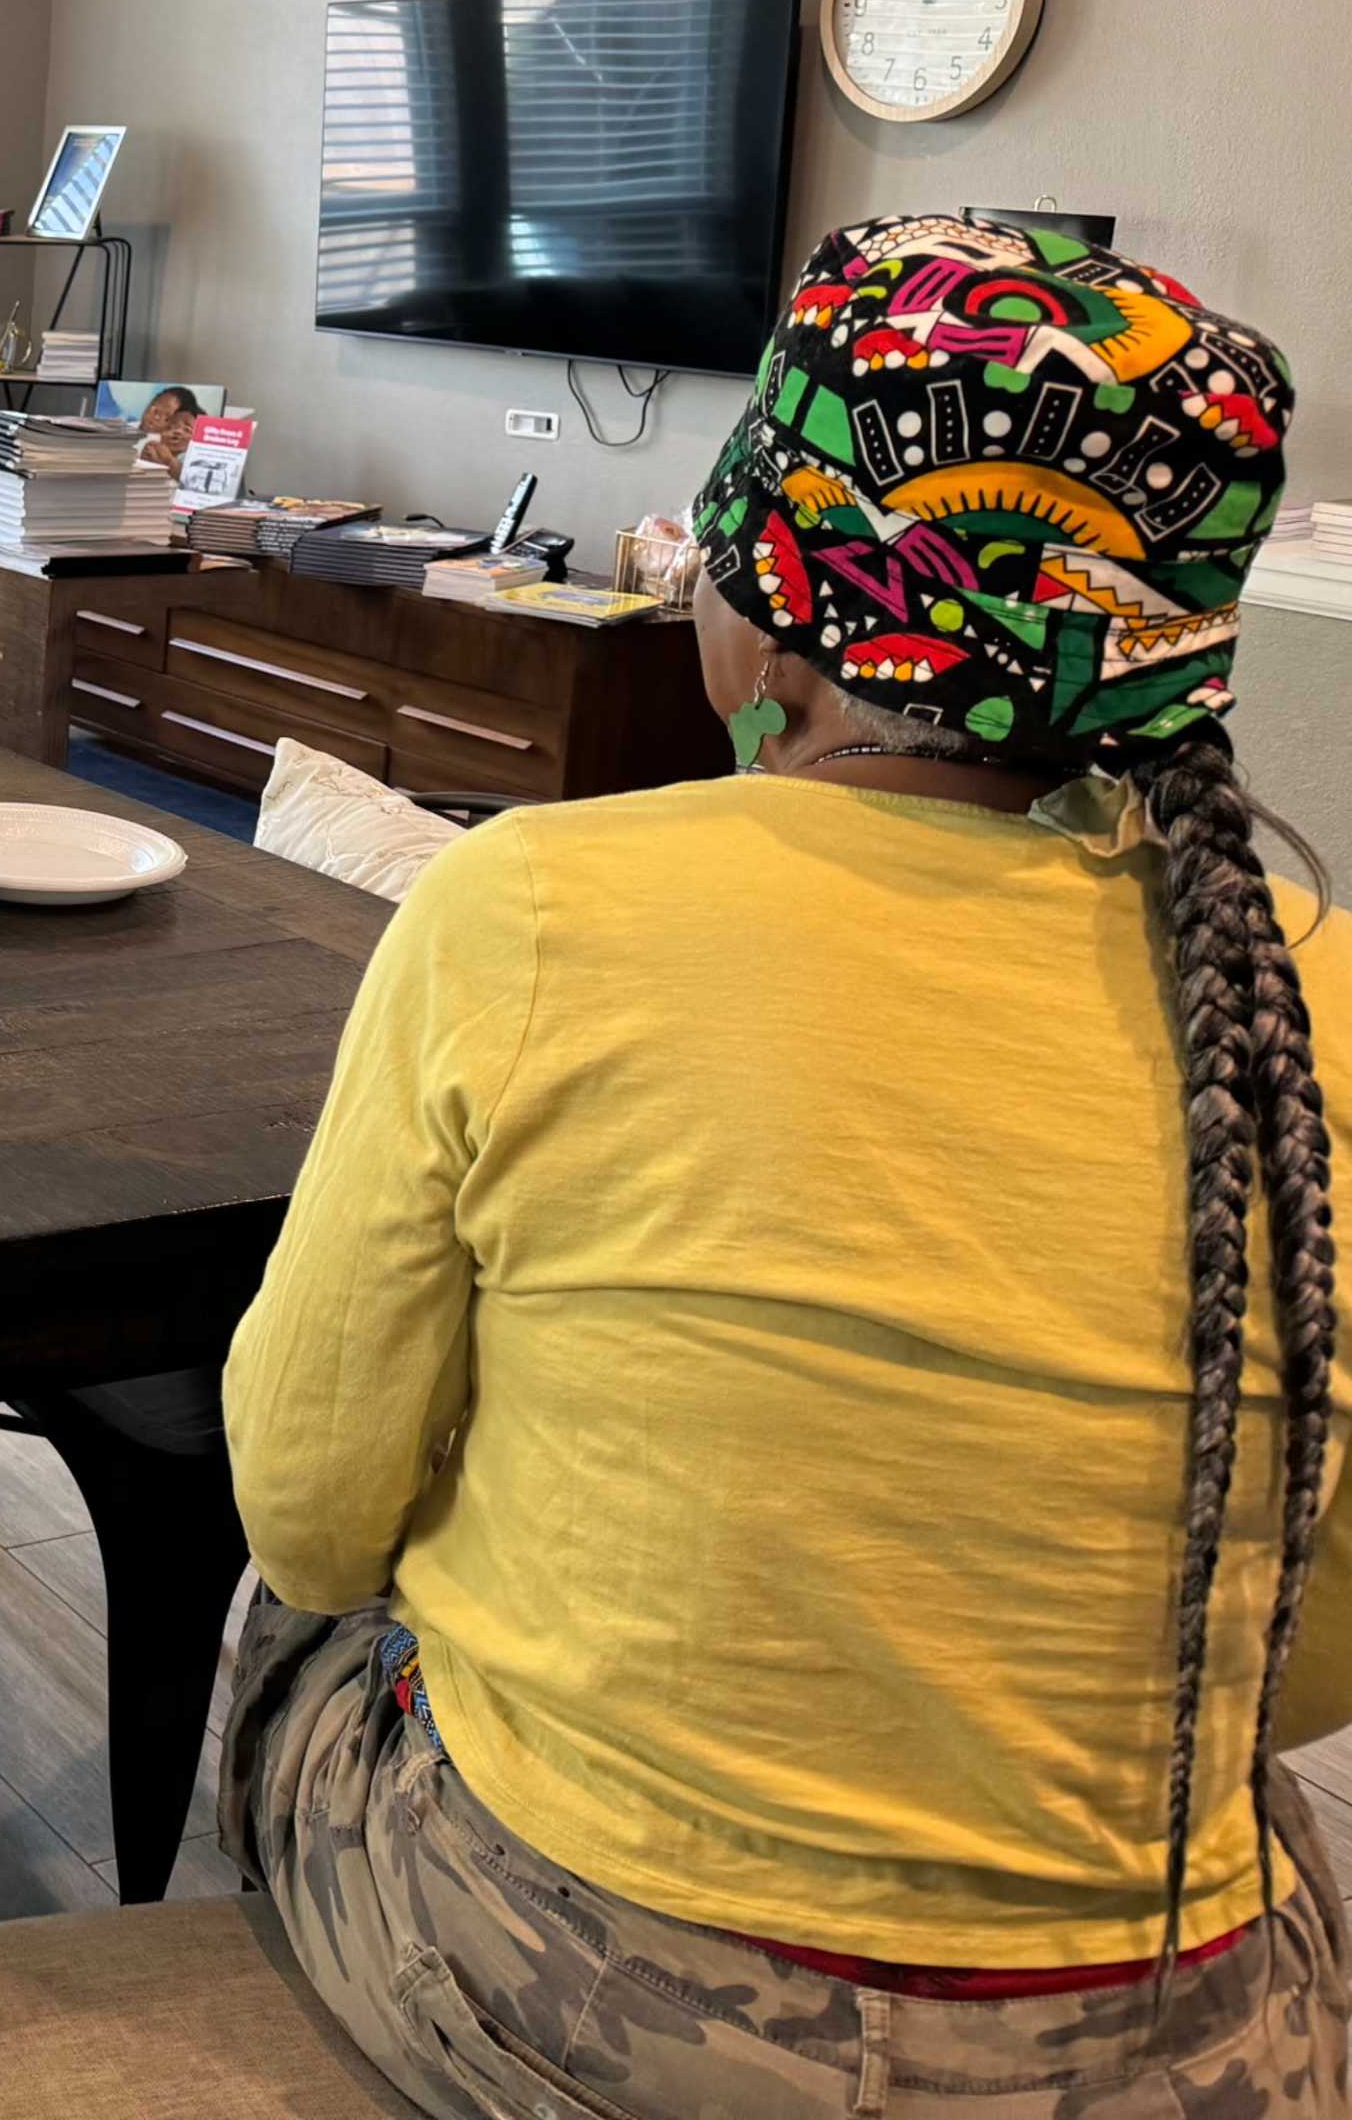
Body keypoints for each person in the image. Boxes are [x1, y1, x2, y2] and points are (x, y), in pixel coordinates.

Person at [220, 214, 1345, 2114]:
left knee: (294, 1627)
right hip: (1186, 2040)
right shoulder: (1310, 996)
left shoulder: (529, 908)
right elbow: (1302, 1673)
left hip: (586, 1998)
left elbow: (311, 1514)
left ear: (777, 608)